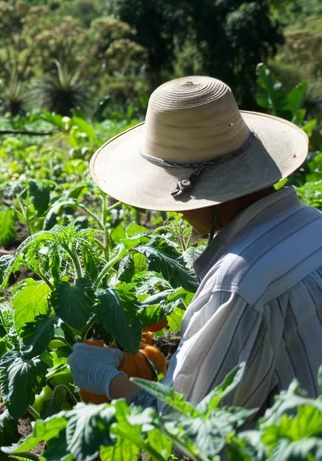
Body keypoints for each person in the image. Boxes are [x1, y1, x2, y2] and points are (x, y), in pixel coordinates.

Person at [68, 76, 322, 413]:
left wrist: (105, 378)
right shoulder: (315, 224)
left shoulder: (234, 285)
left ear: (198, 196)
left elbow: (188, 427)